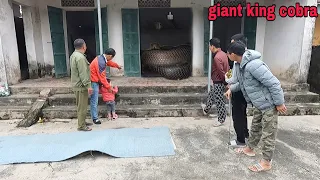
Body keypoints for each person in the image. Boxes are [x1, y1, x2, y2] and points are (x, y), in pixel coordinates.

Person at [225, 41, 287, 172]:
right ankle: (250, 149)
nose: (227, 55)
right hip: (259, 104)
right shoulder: (240, 64)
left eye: (228, 53)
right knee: (255, 128)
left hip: (269, 104)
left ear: (234, 54)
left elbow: (274, 83)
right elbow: (243, 84)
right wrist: (231, 89)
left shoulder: (254, 65)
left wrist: (279, 103)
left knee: (268, 133)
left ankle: (266, 162)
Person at [225, 34, 249, 147]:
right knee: (242, 114)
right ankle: (245, 134)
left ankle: (240, 140)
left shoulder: (241, 60)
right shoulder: (245, 57)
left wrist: (228, 81)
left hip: (240, 92)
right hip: (242, 90)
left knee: (238, 115)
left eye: (233, 43)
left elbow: (239, 79)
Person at [201, 38, 230, 127]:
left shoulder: (217, 57)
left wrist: (226, 83)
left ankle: (221, 119)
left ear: (213, 46)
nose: (209, 48)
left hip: (219, 81)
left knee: (219, 101)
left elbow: (221, 71)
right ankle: (206, 109)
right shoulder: (224, 54)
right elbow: (228, 68)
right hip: (220, 80)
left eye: (209, 46)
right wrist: (228, 79)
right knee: (211, 94)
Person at [90, 48, 122, 124]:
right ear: (110, 56)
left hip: (96, 80)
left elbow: (109, 63)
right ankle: (95, 118)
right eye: (112, 57)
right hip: (94, 81)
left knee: (94, 100)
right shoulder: (101, 62)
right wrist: (109, 87)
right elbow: (102, 78)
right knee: (94, 100)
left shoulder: (101, 58)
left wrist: (117, 66)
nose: (111, 59)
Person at [70, 39, 93, 131]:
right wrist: (88, 86)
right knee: (82, 107)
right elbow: (83, 73)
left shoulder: (74, 55)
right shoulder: (80, 58)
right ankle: (81, 126)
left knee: (80, 105)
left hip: (77, 84)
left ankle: (82, 121)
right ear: (83, 46)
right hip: (81, 86)